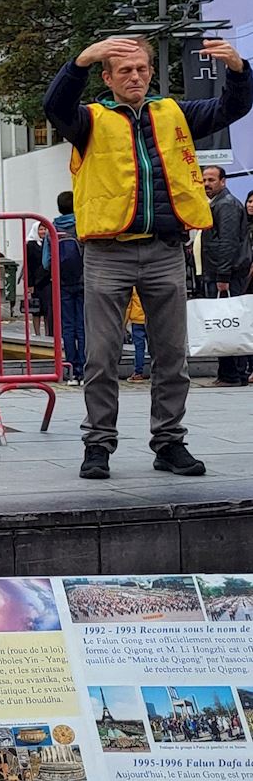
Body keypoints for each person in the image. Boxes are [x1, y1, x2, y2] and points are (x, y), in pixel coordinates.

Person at [44, 35, 250, 479]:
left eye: (141, 69)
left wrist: (238, 71)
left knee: (171, 354)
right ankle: (98, 444)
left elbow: (230, 109)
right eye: (124, 70)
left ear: (151, 72)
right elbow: (55, 106)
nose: (134, 77)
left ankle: (169, 441)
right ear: (108, 78)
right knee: (101, 355)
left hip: (164, 250)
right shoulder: (89, 120)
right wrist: (80, 60)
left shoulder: (174, 113)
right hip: (108, 252)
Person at [201, 165, 251, 387]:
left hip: (226, 276)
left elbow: (228, 242)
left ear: (223, 181)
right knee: (224, 323)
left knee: (227, 323)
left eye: (211, 180)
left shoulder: (227, 204)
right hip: (220, 273)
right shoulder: (216, 203)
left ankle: (232, 374)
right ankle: (230, 373)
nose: (207, 184)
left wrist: (223, 275)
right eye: (204, 180)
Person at [42, 191, 85, 384]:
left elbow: (46, 263)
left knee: (67, 327)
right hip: (83, 281)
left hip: (62, 283)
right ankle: (85, 369)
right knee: (83, 326)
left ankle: (71, 371)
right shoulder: (81, 224)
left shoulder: (52, 229)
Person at [25, 224, 51, 337]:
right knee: (36, 309)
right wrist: (29, 284)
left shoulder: (48, 242)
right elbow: (28, 265)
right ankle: (37, 333)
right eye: (41, 229)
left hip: (47, 280)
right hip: (36, 281)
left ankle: (48, 333)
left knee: (47, 308)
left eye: (44, 229)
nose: (43, 231)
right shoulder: (30, 245)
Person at [125, 288, 147, 383]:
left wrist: (125, 321)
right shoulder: (150, 286)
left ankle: (138, 373)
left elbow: (129, 307)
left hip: (137, 321)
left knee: (139, 348)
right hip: (150, 319)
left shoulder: (133, 289)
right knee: (154, 348)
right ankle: (158, 372)